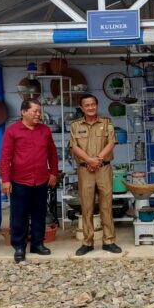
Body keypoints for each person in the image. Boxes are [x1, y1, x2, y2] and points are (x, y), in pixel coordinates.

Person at [0, 98, 58, 263]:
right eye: (35, 111)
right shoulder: (12, 131)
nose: (38, 114)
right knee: (19, 215)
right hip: (19, 180)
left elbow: (52, 154)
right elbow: (4, 158)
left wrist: (53, 173)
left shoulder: (45, 130)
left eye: (39, 111)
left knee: (39, 213)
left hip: (41, 179)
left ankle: (37, 244)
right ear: (23, 112)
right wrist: (5, 180)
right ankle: (19, 247)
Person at [69, 94, 119, 256]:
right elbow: (74, 147)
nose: (90, 107)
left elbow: (111, 143)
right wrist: (89, 160)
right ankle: (88, 242)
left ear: (96, 106)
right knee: (87, 206)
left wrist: (96, 160)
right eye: (87, 105)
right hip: (85, 170)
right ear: (82, 108)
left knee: (106, 205)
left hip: (103, 168)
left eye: (93, 104)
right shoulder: (75, 126)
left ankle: (109, 240)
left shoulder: (106, 123)